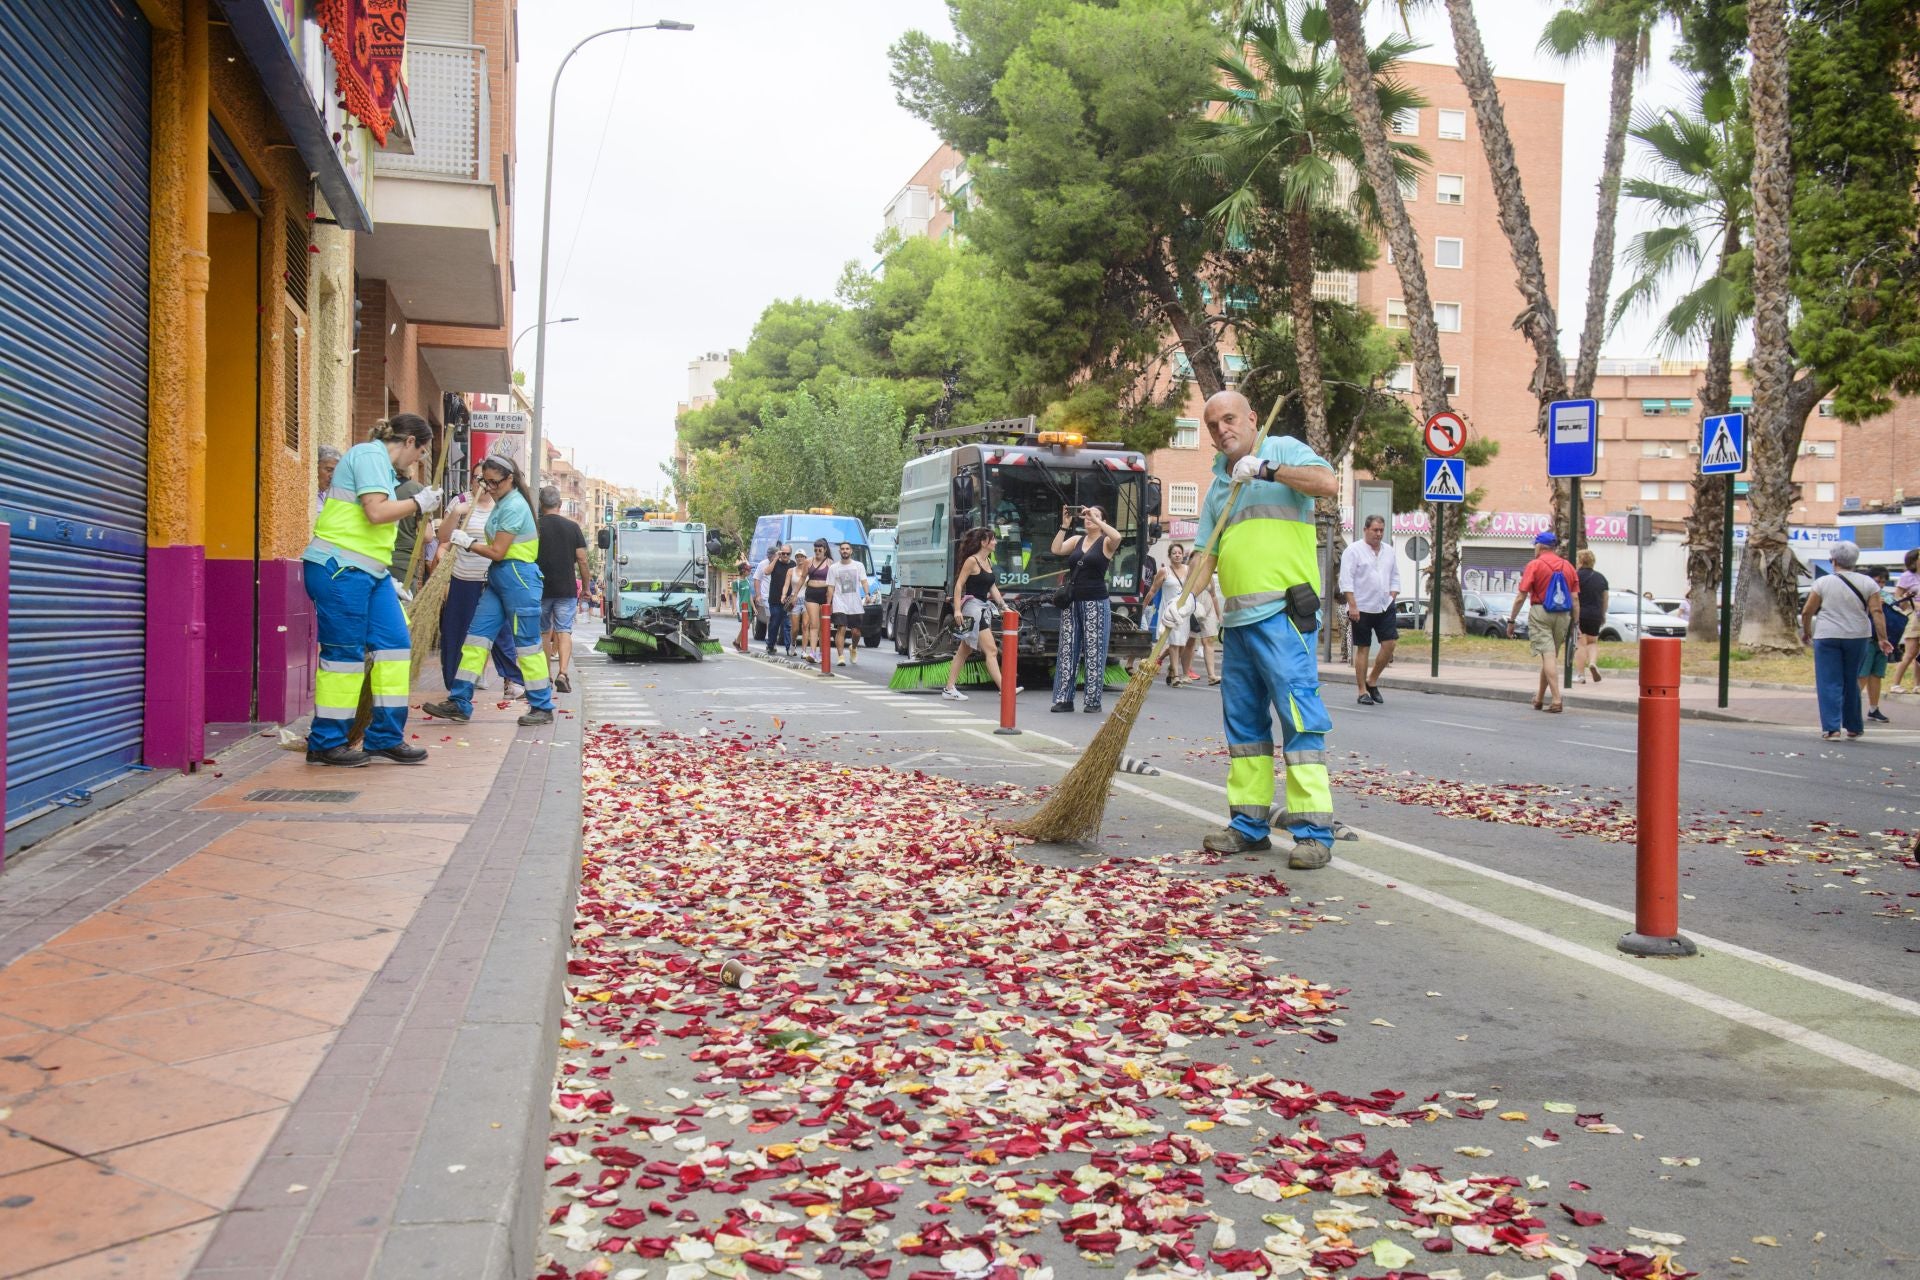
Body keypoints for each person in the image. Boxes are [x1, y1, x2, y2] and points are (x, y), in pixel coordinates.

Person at [1190, 390, 1339, 868]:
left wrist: (1268, 469)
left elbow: (1327, 483)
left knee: (1299, 720)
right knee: (1246, 731)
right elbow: (1205, 554)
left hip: (1283, 616)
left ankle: (1314, 833)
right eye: (1213, 425)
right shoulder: (1218, 488)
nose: (1222, 430)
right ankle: (1249, 826)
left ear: (1252, 419)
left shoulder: (1286, 450)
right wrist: (1183, 599)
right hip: (1237, 624)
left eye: (1229, 419)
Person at [302, 416, 442, 766]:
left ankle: (384, 738)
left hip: (371, 574)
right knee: (343, 659)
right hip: (340, 569)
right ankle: (326, 742)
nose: (416, 462)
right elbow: (376, 512)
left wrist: (383, 573)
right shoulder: (369, 456)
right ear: (409, 441)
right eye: (420, 453)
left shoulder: (380, 465)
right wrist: (418, 504)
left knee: (395, 649)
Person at [422, 454, 557, 728]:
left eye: (494, 482)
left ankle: (542, 705)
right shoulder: (503, 502)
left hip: (518, 577)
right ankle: (460, 700)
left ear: (510, 479)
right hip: (501, 577)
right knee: (476, 639)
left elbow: (497, 551)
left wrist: (468, 543)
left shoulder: (513, 506)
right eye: (485, 481)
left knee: (528, 645)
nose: (489, 488)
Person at [434, 465, 522, 698]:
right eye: (477, 478)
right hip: (463, 577)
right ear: (471, 480)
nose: (483, 484)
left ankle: (511, 680)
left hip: (493, 580)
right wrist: (456, 513)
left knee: (501, 633)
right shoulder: (461, 502)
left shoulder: (503, 506)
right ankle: (456, 684)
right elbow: (442, 538)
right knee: (457, 631)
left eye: (488, 479)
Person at [1800, 542, 1894, 740]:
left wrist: (1807, 631)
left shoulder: (1823, 583)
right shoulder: (1869, 583)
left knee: (1829, 681)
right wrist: (1883, 639)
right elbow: (1877, 611)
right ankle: (1853, 726)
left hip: (1827, 636)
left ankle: (1832, 728)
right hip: (1858, 636)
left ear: (1833, 560)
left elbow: (1808, 610)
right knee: (1851, 679)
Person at [1050, 503, 1122, 712]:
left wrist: (1097, 519)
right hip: (1072, 602)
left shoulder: (1106, 542)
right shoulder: (1076, 540)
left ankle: (1092, 701)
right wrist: (1064, 526)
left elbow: (1117, 537)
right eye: (1087, 514)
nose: (1088, 517)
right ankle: (1064, 699)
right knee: (1067, 649)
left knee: (1094, 651)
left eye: (1095, 515)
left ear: (1103, 521)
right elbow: (1055, 549)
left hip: (1096, 602)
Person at [1506, 531, 1579, 713]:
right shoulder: (1568, 566)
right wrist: (1575, 623)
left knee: (1548, 656)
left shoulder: (1535, 565)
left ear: (1540, 546)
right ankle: (1539, 698)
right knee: (1550, 657)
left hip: (1541, 612)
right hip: (1563, 615)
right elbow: (1575, 599)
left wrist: (1512, 620)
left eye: (1535, 545)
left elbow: (1521, 596)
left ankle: (1556, 700)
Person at [943, 527, 1020, 700]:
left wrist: (1004, 607)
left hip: (983, 608)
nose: (995, 542)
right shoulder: (972, 561)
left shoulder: (988, 562)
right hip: (972, 609)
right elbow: (959, 585)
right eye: (992, 539)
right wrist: (957, 610)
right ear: (983, 542)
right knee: (991, 650)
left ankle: (949, 688)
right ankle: (1005, 689)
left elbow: (992, 587)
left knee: (965, 649)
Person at [1338, 515, 1400, 706]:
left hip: (1384, 605)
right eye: (1375, 530)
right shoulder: (1353, 551)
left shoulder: (1388, 551)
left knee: (1389, 644)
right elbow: (1346, 580)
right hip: (1361, 607)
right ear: (1366, 529)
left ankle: (1372, 680)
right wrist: (1353, 606)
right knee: (1363, 647)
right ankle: (1362, 691)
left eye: (1381, 530)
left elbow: (1395, 575)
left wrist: (1393, 595)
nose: (1378, 534)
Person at [535, 487, 589, 694]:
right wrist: (585, 588)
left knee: (543, 632)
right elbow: (582, 560)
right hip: (566, 588)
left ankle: (545, 676)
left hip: (539, 588)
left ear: (541, 504)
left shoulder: (535, 527)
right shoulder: (572, 527)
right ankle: (563, 673)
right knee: (564, 630)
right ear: (560, 505)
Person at [1858, 565, 1899, 724]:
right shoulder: (1864, 593)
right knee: (1862, 674)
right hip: (1867, 637)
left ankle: (1874, 708)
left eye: (1883, 582)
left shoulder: (1886, 595)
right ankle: (1850, 706)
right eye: (1878, 581)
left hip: (1882, 640)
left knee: (1877, 674)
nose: (1881, 585)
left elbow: (1898, 607)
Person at [828, 541, 869, 666]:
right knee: (841, 628)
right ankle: (841, 656)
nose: (845, 551)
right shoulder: (834, 568)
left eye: (847, 549)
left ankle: (853, 647)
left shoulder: (858, 566)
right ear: (839, 551)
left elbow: (864, 581)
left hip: (855, 603)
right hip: (839, 602)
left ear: (851, 551)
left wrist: (867, 594)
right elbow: (830, 587)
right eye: (842, 549)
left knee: (856, 632)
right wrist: (828, 604)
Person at [1574, 548, 1610, 685]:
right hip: (1596, 614)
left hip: (1581, 613)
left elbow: (1574, 597)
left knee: (1580, 643)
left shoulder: (1576, 576)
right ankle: (1593, 663)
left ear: (1581, 561)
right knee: (1592, 642)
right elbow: (1605, 599)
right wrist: (1602, 614)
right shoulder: (1601, 578)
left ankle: (1580, 675)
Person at [1888, 548, 1920, 695]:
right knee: (1911, 651)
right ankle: (1895, 684)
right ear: (1914, 561)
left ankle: (1917, 685)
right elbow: (1898, 598)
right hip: (1914, 616)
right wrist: (1907, 600)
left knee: (1918, 654)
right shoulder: (1907, 576)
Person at [800, 539, 833, 662]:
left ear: (824, 550)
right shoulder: (808, 561)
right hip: (811, 594)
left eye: (820, 550)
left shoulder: (830, 563)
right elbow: (802, 578)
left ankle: (822, 652)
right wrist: (794, 594)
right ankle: (813, 652)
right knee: (814, 625)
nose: (817, 552)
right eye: (815, 550)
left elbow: (834, 583)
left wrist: (832, 600)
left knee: (823, 626)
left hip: (825, 594)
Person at [765, 544, 797, 656]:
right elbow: (766, 572)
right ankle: (770, 645)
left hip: (788, 601)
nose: (785, 555)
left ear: (790, 554)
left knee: (787, 625)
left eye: (787, 553)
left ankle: (789, 648)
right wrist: (775, 559)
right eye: (782, 553)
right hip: (774, 599)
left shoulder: (793, 564)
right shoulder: (775, 562)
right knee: (774, 624)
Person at [315, 444, 342, 521]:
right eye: (329, 470)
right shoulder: (307, 495)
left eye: (336, 472)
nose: (333, 476)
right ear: (315, 467)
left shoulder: (328, 495)